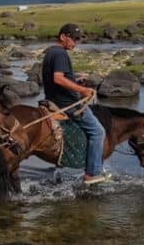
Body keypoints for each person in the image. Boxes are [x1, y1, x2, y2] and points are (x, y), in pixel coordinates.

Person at [41, 23, 107, 185]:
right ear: (63, 37)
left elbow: (55, 78)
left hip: (54, 99)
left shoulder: (51, 52)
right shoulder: (61, 54)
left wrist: (74, 79)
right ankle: (93, 173)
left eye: (78, 39)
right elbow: (58, 78)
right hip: (67, 103)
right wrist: (82, 90)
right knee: (98, 132)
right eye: (74, 38)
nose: (76, 42)